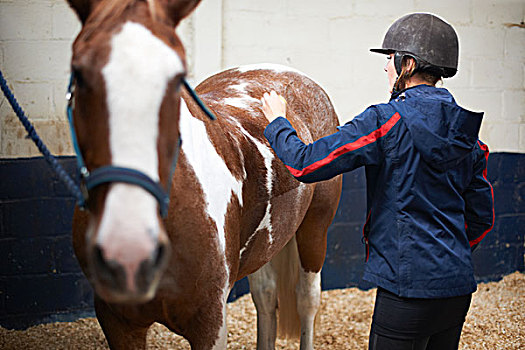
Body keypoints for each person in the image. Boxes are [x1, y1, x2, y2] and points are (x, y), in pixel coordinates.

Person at [260, 13, 494, 350]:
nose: (385, 67)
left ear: (407, 64)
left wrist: (278, 122)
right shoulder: (469, 135)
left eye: (389, 58)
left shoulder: (384, 121)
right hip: (456, 290)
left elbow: (306, 163)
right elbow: (481, 219)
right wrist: (446, 258)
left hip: (406, 294)